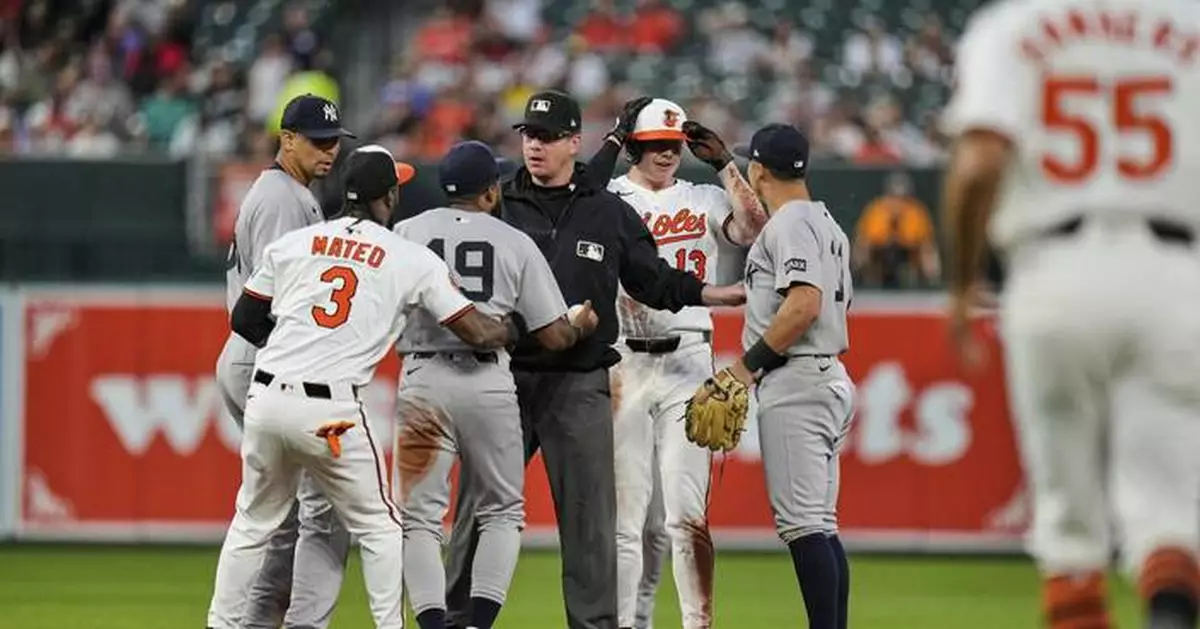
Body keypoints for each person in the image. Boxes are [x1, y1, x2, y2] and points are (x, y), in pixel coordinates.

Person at [443, 90, 746, 629]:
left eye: (548, 136)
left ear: (573, 142)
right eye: (529, 135)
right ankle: (459, 620)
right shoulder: (499, 202)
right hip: (506, 377)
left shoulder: (606, 209)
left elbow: (651, 279)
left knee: (592, 526)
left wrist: (709, 295)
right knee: (479, 509)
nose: (535, 145)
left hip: (581, 380)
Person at [942, 1, 1200, 628]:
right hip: (1173, 270)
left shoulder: (1011, 26)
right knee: (1168, 512)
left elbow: (979, 165)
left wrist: (960, 284)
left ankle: (1079, 579)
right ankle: (1167, 599)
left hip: (1053, 267)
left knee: (1068, 518)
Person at [205, 144, 517, 629]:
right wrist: (511, 330)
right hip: (330, 411)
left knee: (251, 524)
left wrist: (300, 346)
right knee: (381, 528)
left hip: (268, 396)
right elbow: (475, 331)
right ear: (389, 196)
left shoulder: (294, 244)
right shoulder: (408, 257)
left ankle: (220, 625)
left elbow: (246, 319)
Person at [393, 140, 601, 629]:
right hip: (487, 379)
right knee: (502, 511)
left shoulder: (406, 232)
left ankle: (430, 623)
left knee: (420, 518)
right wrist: (580, 326)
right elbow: (552, 335)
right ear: (490, 192)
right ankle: (478, 624)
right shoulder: (513, 240)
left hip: (422, 376)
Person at [607, 98, 768, 629]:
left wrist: (725, 165)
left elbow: (754, 229)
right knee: (627, 522)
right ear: (632, 145)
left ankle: (698, 624)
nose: (665, 154)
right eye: (654, 145)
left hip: (689, 360)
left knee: (687, 516)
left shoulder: (702, 196)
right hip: (624, 360)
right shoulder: (609, 197)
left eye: (673, 146)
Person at [208, 93, 358, 629]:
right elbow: (272, 300)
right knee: (292, 511)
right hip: (262, 358)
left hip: (259, 359)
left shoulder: (293, 193)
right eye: (317, 141)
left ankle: (259, 620)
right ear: (286, 138)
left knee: (289, 513)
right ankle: (259, 621)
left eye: (334, 142)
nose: (329, 152)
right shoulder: (280, 199)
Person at [709, 123, 856, 629]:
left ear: (758, 170)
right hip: (825, 374)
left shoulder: (790, 223)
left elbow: (804, 305)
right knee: (821, 525)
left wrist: (744, 368)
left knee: (802, 527)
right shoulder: (825, 221)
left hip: (798, 381)